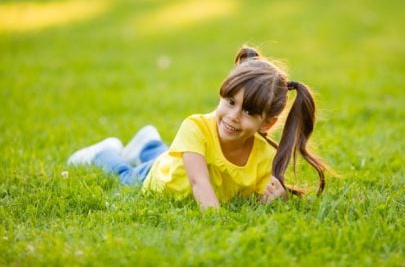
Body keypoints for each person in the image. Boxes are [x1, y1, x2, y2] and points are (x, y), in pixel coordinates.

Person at [67, 46, 332, 209]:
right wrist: (215, 225)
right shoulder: (195, 127)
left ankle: (148, 143)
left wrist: (271, 200)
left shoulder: (264, 158)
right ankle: (104, 151)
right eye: (230, 102)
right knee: (127, 175)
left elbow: (258, 196)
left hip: (176, 160)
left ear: (268, 123)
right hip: (161, 178)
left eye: (249, 112)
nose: (233, 116)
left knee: (172, 153)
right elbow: (199, 181)